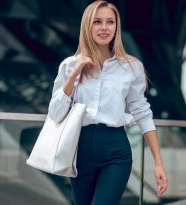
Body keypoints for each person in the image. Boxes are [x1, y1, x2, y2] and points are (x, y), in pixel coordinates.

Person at [48, 1, 168, 204]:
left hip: (115, 150)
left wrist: (158, 163)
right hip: (79, 151)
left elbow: (142, 112)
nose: (104, 27)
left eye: (110, 22)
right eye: (97, 22)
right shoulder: (69, 65)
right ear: (87, 26)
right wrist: (75, 74)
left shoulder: (131, 67)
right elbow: (55, 114)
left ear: (116, 27)